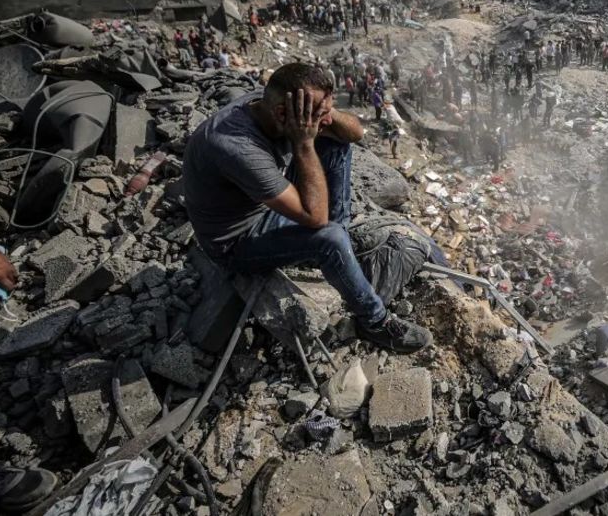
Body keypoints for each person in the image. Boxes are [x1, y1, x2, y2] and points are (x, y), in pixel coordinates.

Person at [182, 63, 432, 353]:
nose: (322, 122)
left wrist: (328, 114)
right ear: (282, 113)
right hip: (235, 242)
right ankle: (375, 323)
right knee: (330, 239)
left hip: (265, 206)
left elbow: (356, 134)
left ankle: (338, 246)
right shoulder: (236, 146)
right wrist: (303, 143)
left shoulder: (275, 106)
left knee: (337, 143)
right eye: (316, 115)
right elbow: (316, 218)